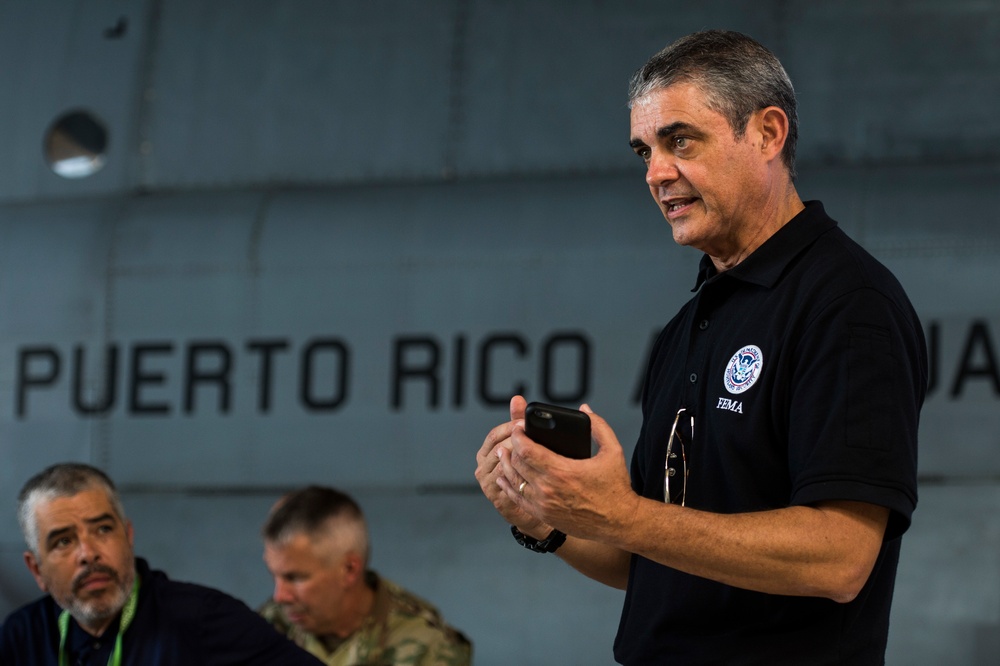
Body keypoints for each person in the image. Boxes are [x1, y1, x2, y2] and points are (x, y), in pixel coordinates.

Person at [475, 29, 927, 665]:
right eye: (644, 151)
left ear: (767, 134)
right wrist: (544, 519)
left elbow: (839, 557)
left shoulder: (848, 304)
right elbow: (652, 561)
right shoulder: (695, 320)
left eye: (680, 140)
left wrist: (621, 515)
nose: (657, 173)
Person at [0, 462, 323, 665]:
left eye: (102, 529)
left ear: (128, 536)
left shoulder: (203, 619)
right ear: (37, 570)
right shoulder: (23, 635)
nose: (88, 553)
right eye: (64, 541)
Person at [259, 485, 472, 666]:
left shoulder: (426, 647)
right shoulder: (268, 626)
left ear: (349, 569)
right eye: (274, 576)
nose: (280, 596)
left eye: (295, 578)